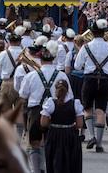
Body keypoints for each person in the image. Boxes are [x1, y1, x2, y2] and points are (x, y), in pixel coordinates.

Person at [19, 40, 72, 173]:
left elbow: (23, 95)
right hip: (56, 111)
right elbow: (69, 97)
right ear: (54, 59)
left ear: (39, 58)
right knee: (52, 143)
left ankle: (37, 170)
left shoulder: (31, 76)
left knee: (34, 143)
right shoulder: (62, 75)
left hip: (36, 111)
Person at [74, 19, 108, 153]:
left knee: (87, 109)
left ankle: (92, 136)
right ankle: (99, 144)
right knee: (100, 111)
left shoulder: (86, 47)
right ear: (104, 33)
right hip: (105, 80)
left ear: (93, 32)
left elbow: (77, 65)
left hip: (89, 79)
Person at [40, 79, 84, 173]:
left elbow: (43, 123)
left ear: (55, 89)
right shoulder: (75, 103)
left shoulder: (50, 103)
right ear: (68, 90)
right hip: (70, 135)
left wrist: (52, 125)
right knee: (71, 163)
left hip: (54, 135)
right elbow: (80, 124)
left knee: (54, 162)